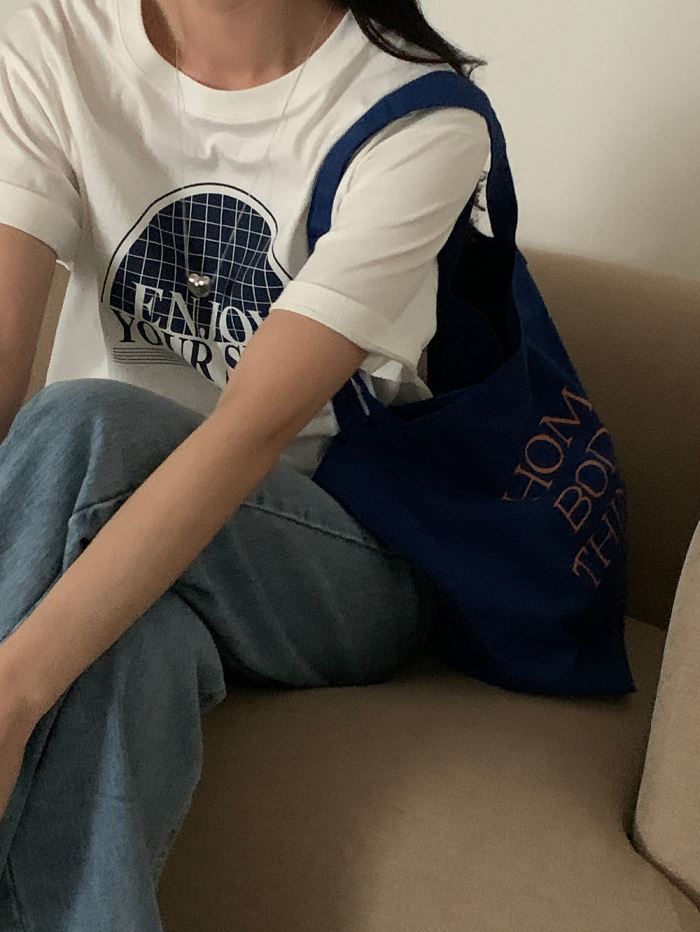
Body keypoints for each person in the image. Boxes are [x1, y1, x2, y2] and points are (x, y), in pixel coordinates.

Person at [0, 0, 490, 926]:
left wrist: (13, 692)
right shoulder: (54, 40)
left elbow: (246, 436)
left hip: (335, 561)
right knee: (129, 649)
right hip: (93, 529)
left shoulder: (415, 114)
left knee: (79, 421)